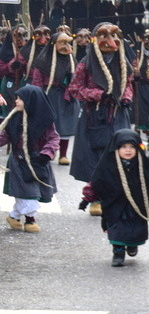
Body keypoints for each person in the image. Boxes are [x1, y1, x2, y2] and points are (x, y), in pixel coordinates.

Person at [66, 23, 134, 205]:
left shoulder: (123, 62)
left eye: (114, 35)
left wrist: (126, 97)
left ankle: (112, 195)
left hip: (118, 113)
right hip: (94, 116)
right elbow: (75, 89)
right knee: (96, 156)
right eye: (104, 36)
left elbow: (128, 83)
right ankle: (95, 197)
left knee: (118, 153)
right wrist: (98, 95)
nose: (109, 41)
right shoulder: (85, 63)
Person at [81, 129, 149, 267]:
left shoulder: (143, 164)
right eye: (123, 147)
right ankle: (118, 252)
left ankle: (132, 245)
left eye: (132, 147)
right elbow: (97, 181)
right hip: (114, 205)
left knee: (134, 229)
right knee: (117, 229)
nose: (128, 150)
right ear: (116, 147)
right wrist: (87, 198)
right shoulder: (108, 164)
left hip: (136, 205)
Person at [0, 85, 58, 234]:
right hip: (18, 161)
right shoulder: (14, 118)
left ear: (31, 101)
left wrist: (46, 154)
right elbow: (4, 136)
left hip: (38, 160)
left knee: (34, 191)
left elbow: (53, 138)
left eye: (20, 99)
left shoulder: (45, 120)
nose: (16, 102)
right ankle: (30, 220)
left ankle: (14, 217)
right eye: (16, 98)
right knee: (27, 192)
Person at [30, 31, 77, 165]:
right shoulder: (43, 61)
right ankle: (48, 151)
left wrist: (71, 91)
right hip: (49, 95)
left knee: (65, 125)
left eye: (67, 43)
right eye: (62, 43)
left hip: (67, 96)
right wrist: (37, 97)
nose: (65, 46)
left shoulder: (71, 59)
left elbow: (76, 78)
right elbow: (37, 82)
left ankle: (63, 154)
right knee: (48, 125)